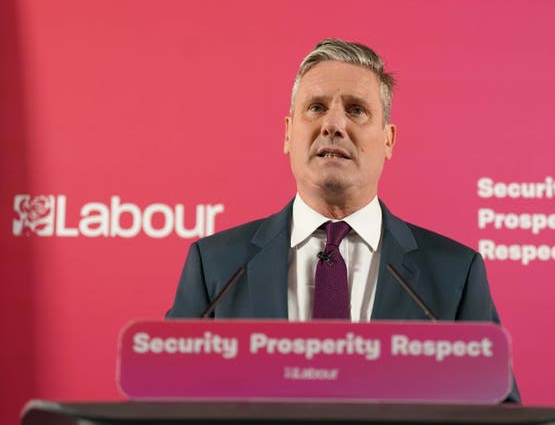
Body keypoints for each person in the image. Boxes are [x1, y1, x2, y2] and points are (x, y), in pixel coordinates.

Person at [166, 38, 520, 403]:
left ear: (388, 140)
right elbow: (167, 399)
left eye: (356, 110)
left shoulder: (455, 274)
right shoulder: (216, 266)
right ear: (288, 133)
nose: (333, 124)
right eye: (316, 107)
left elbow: (499, 410)